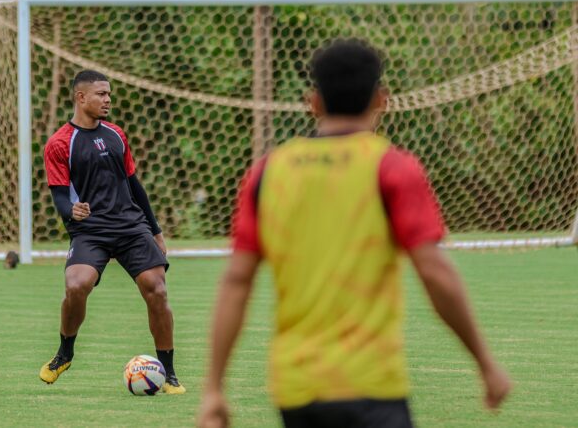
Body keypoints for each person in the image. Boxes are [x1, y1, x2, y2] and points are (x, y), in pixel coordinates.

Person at [197, 39, 511, 427]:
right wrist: (485, 362)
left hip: (297, 388)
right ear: (382, 99)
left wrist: (214, 387)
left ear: (313, 102)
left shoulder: (268, 172)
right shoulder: (392, 167)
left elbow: (237, 281)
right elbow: (434, 271)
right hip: (372, 384)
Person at [41, 70, 185, 394]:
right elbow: (60, 194)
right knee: (76, 285)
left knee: (157, 289)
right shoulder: (61, 143)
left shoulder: (116, 135)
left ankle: (170, 374)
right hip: (90, 231)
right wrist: (70, 211)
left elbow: (135, 185)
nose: (108, 100)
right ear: (81, 98)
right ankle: (65, 351)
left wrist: (156, 230)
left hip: (130, 226)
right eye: (101, 94)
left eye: (109, 94)